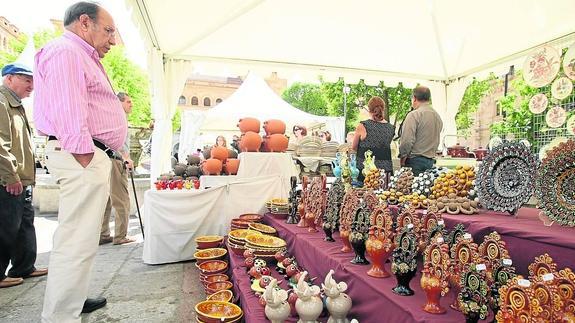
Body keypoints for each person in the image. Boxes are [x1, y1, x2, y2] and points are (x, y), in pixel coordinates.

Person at [33, 2, 127, 321]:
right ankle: (60, 315)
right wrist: (86, 156)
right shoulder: (67, 52)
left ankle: (73, 298)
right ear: (85, 23)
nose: (112, 40)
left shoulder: (77, 53)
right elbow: (69, 110)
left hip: (86, 154)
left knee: (82, 238)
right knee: (75, 239)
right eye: (109, 30)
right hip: (80, 155)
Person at [0, 63, 48, 289]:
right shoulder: (2, 102)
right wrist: (10, 177)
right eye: (26, 80)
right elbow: (1, 145)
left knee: (24, 224)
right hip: (10, 180)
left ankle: (24, 266)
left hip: (23, 179)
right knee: (6, 226)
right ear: (9, 79)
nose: (32, 86)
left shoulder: (15, 104)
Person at [100, 92, 135, 246]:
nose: (131, 104)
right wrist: (126, 158)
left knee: (106, 198)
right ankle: (120, 235)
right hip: (115, 159)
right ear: (119, 102)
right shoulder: (118, 117)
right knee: (121, 199)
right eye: (128, 101)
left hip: (106, 159)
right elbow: (118, 143)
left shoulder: (108, 116)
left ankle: (103, 233)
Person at [399, 86, 443, 176]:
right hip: (431, 161)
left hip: (414, 161)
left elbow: (407, 140)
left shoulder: (414, 114)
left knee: (412, 188)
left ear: (414, 98)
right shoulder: (437, 116)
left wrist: (403, 156)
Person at [352, 96, 395, 182]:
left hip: (365, 171)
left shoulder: (363, 126)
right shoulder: (391, 128)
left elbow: (354, 147)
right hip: (384, 172)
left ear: (369, 109)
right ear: (383, 109)